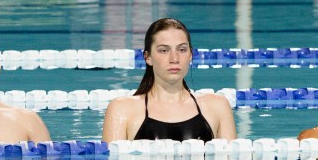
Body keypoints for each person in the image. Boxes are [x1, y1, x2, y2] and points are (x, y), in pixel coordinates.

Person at [102, 18, 237, 141]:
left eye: (182, 49)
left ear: (190, 55)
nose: (174, 59)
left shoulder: (217, 107)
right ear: (148, 57)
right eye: (164, 50)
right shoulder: (122, 110)